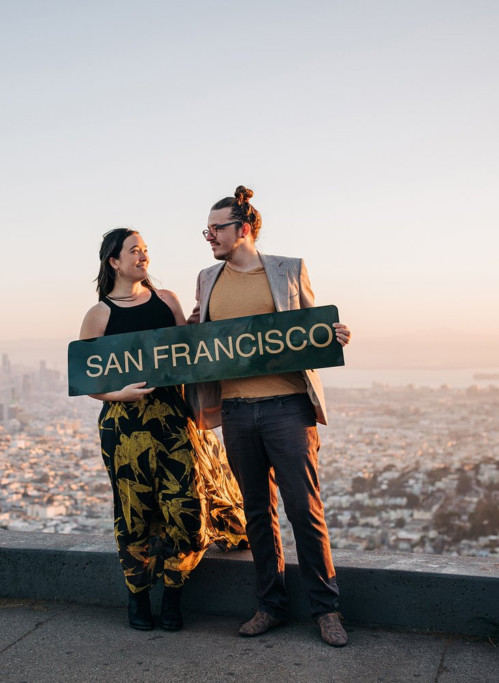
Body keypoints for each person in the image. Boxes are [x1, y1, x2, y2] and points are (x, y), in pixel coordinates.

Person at [187, 186, 352, 647]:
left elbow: (310, 327)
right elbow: (205, 342)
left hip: (287, 408)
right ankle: (270, 606)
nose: (210, 237)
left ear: (244, 229)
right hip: (237, 411)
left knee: (304, 511)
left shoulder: (288, 270)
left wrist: (333, 332)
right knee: (256, 514)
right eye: (208, 229)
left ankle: (327, 609)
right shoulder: (206, 277)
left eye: (216, 228)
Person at [80, 228, 247, 632]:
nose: (143, 256)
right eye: (134, 251)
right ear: (113, 262)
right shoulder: (99, 313)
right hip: (124, 428)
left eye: (145, 250)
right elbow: (87, 379)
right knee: (133, 514)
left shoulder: (167, 299)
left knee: (187, 511)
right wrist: (118, 395)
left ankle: (173, 593)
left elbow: (191, 357)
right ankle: (138, 601)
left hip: (174, 420)